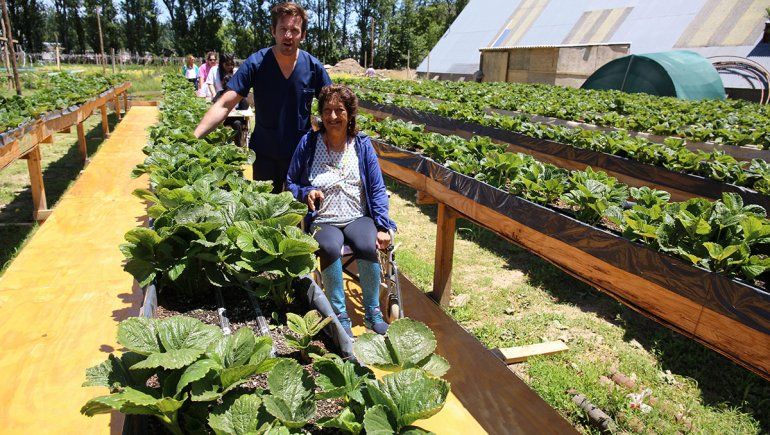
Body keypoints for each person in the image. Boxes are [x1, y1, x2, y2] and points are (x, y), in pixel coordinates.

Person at [286, 84, 396, 337]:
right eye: (327, 110)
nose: (333, 117)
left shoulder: (361, 144)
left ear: (350, 114)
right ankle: (339, 314)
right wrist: (305, 193)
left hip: (357, 215)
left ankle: (373, 313)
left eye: (339, 110)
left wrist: (382, 226)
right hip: (324, 218)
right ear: (320, 114)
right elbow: (291, 182)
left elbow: (377, 188)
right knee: (329, 247)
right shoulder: (309, 143)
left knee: (368, 244)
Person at [193, 2, 331, 193]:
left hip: (301, 155)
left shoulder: (313, 67)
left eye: (295, 30)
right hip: (265, 154)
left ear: (303, 35)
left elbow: (334, 106)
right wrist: (195, 136)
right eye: (283, 29)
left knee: (298, 212)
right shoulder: (256, 63)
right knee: (266, 211)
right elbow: (225, 104)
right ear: (273, 31)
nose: (288, 36)